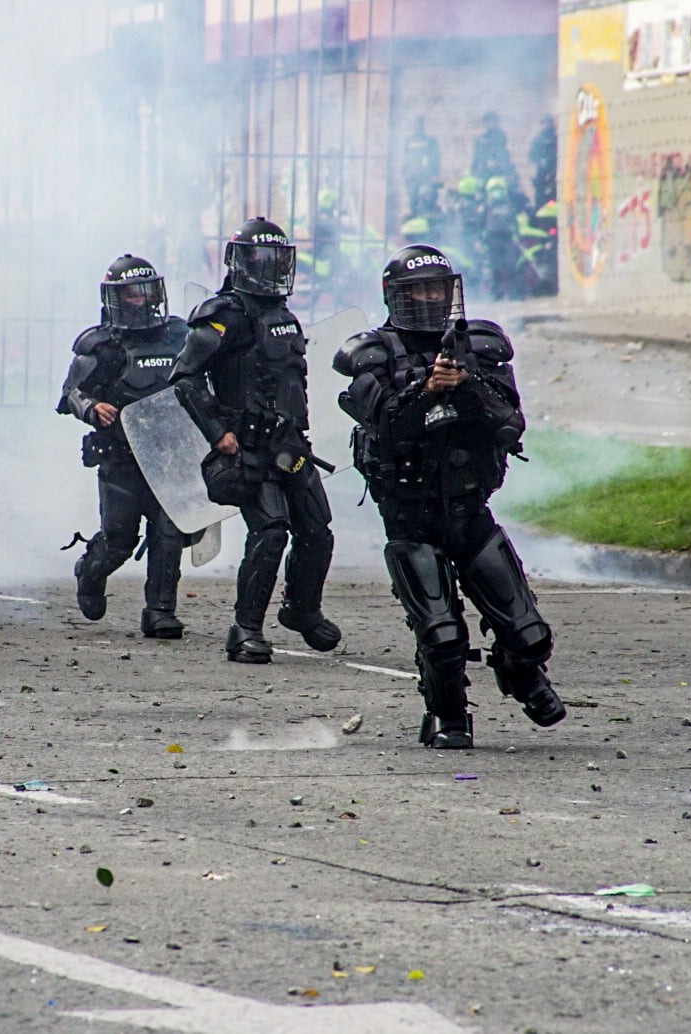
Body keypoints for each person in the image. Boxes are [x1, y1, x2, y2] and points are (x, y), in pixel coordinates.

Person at [332, 244, 565, 748]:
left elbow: (509, 425)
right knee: (441, 636)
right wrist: (428, 392)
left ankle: (521, 674)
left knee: (529, 633)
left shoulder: (477, 346)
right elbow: (389, 429)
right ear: (394, 295)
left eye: (436, 288)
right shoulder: (371, 355)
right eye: (417, 290)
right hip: (411, 517)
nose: (429, 298)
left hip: (468, 509)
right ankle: (448, 715)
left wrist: (467, 386)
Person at [169, 217, 338, 663]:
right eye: (259, 260)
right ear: (239, 263)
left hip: (290, 445)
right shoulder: (223, 316)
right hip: (246, 447)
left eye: (275, 260)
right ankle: (245, 629)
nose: (268, 269)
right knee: (271, 531)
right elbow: (185, 379)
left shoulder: (284, 314)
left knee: (317, 530)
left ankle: (302, 610)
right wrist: (217, 432)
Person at [57, 255, 189, 639]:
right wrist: (92, 407)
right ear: (116, 298)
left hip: (169, 455)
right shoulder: (101, 345)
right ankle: (90, 570)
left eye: (146, 292)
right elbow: (72, 393)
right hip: (121, 456)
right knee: (120, 540)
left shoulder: (178, 335)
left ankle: (161, 611)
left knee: (169, 532)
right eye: (132, 294)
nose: (141, 300)